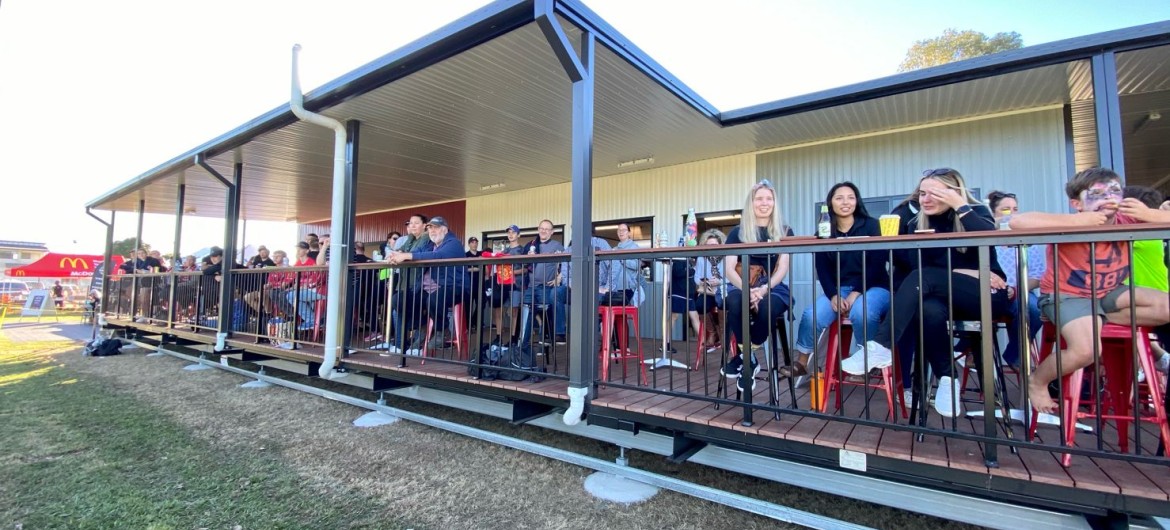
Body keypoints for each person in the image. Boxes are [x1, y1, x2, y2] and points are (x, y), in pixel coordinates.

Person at [841, 168, 1008, 418]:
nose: (925, 199)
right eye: (922, 194)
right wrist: (968, 271)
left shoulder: (976, 213)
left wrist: (960, 205)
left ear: (953, 192)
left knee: (923, 278)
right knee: (927, 308)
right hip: (942, 298)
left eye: (934, 193)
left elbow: (989, 238)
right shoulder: (916, 223)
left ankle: (881, 346)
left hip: (984, 295)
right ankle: (947, 379)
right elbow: (917, 268)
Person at [1011, 168, 1170, 414]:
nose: (1108, 197)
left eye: (1115, 191)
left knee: (1166, 306)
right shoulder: (1069, 222)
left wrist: (1149, 213)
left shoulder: (1129, 220)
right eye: (1097, 193)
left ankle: (1097, 318)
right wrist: (1077, 221)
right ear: (1077, 203)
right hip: (1066, 295)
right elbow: (1017, 222)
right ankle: (1038, 380)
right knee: (1086, 351)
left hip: (1110, 292)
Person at [790, 182, 890, 379]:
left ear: (857, 201)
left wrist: (857, 291)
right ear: (830, 204)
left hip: (875, 286)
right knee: (812, 314)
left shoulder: (872, 225)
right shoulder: (824, 231)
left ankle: (868, 359)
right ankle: (801, 362)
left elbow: (878, 263)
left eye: (851, 197)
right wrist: (833, 294)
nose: (845, 202)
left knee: (862, 310)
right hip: (839, 289)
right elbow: (823, 269)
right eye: (839, 198)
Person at [721, 179, 794, 392]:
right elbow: (729, 268)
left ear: (774, 202)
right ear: (751, 203)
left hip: (772, 286)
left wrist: (763, 289)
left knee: (768, 306)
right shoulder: (738, 232)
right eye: (759, 198)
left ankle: (745, 358)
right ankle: (748, 358)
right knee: (734, 300)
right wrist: (748, 289)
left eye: (769, 198)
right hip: (741, 284)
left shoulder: (785, 231)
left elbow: (782, 268)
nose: (764, 203)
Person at [982, 190, 1046, 367]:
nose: (1012, 213)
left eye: (1015, 208)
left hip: (1021, 291)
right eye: (1006, 209)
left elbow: (1038, 276)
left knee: (1033, 309)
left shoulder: (1026, 239)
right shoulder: (986, 237)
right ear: (993, 213)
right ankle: (971, 351)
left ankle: (1014, 356)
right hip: (992, 292)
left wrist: (1016, 289)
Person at [388, 216, 469, 354]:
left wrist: (408, 257)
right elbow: (419, 252)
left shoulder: (453, 242)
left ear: (445, 229)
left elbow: (438, 256)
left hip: (453, 286)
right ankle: (423, 325)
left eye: (435, 228)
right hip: (428, 289)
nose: (432, 231)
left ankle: (441, 331)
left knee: (434, 298)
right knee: (399, 299)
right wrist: (398, 254)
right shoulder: (431, 244)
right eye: (430, 228)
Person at [520, 220, 568, 346]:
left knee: (546, 313)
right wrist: (527, 258)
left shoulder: (557, 246)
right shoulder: (531, 245)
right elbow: (524, 265)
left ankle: (546, 339)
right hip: (531, 287)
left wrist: (559, 277)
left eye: (547, 229)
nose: (544, 231)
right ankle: (522, 345)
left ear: (552, 232)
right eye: (542, 228)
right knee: (527, 314)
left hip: (546, 287)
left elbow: (566, 264)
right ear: (538, 229)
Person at [692, 229, 726, 353]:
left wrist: (719, 281)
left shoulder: (726, 257)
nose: (712, 247)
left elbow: (731, 277)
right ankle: (712, 332)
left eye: (714, 245)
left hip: (723, 289)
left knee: (724, 303)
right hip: (708, 290)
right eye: (709, 245)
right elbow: (696, 278)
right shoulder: (702, 258)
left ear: (720, 244)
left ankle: (723, 333)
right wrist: (703, 281)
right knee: (699, 305)